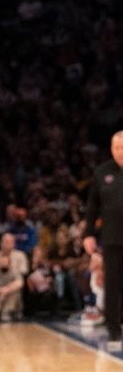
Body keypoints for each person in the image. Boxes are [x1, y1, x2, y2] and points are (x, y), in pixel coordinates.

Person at [83, 131, 123, 352]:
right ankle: (114, 331)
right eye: (117, 148)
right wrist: (88, 234)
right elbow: (92, 207)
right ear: (111, 149)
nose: (120, 152)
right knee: (113, 285)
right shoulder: (102, 172)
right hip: (112, 238)